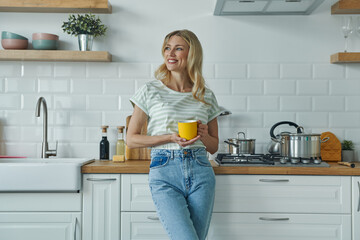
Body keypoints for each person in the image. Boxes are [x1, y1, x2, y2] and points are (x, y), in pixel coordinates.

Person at [126, 29, 222, 240]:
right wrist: (169, 138)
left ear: (192, 53)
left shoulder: (205, 94)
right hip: (164, 170)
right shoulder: (150, 90)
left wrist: (204, 135)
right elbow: (131, 139)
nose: (171, 53)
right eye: (167, 48)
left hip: (201, 171)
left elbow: (214, 146)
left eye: (178, 48)